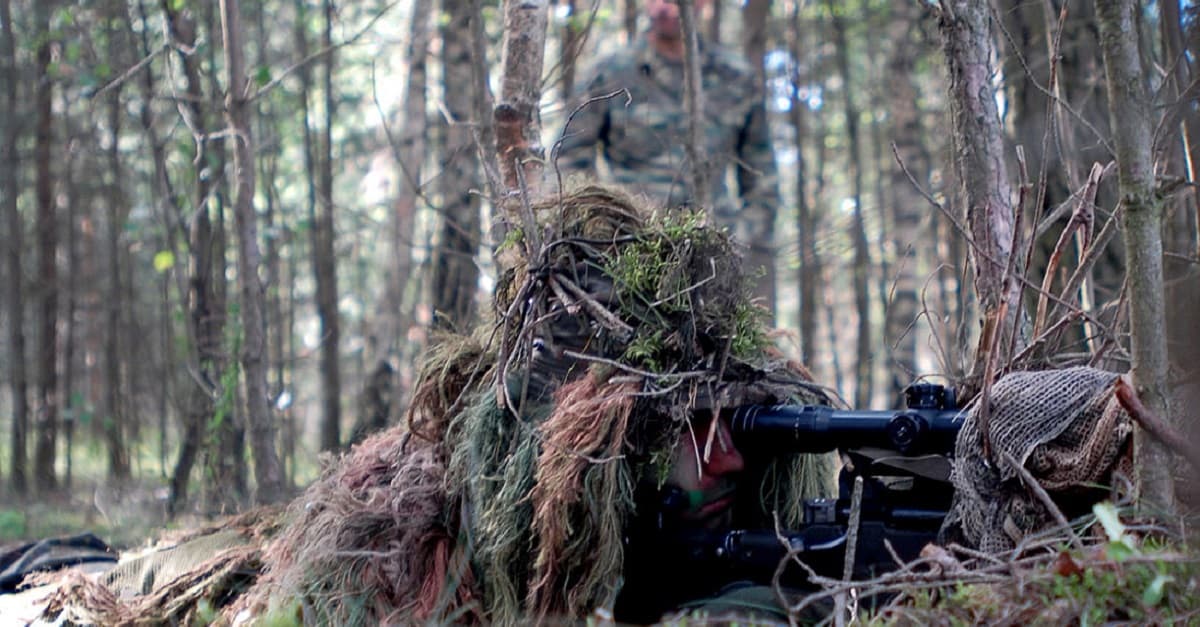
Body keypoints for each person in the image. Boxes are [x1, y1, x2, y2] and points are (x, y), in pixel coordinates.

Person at [557, 0, 781, 318]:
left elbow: (762, 178)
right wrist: (599, 232)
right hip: (627, 259)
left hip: (716, 263)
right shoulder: (610, 74)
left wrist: (744, 237)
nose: (666, 7)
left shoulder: (736, 79)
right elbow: (568, 161)